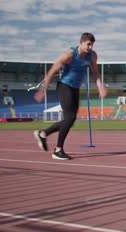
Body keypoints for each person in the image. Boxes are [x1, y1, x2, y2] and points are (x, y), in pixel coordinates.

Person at [33, 32, 106, 160]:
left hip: (75, 88)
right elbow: (52, 71)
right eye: (88, 44)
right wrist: (43, 90)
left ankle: (43, 134)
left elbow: (95, 72)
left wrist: (100, 86)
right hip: (64, 86)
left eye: (92, 45)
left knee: (70, 120)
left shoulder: (92, 56)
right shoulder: (69, 55)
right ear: (81, 42)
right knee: (69, 117)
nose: (90, 48)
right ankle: (58, 150)